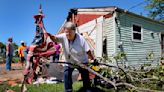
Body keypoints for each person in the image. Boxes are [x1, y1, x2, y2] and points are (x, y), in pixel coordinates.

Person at [50, 22, 96, 92]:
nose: (67, 34)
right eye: (66, 32)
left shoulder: (81, 39)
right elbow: (55, 39)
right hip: (69, 61)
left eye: (69, 32)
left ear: (74, 31)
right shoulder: (63, 36)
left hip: (82, 61)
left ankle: (87, 89)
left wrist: (93, 58)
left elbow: (88, 51)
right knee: (66, 74)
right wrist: (49, 35)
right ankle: (68, 90)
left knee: (85, 75)